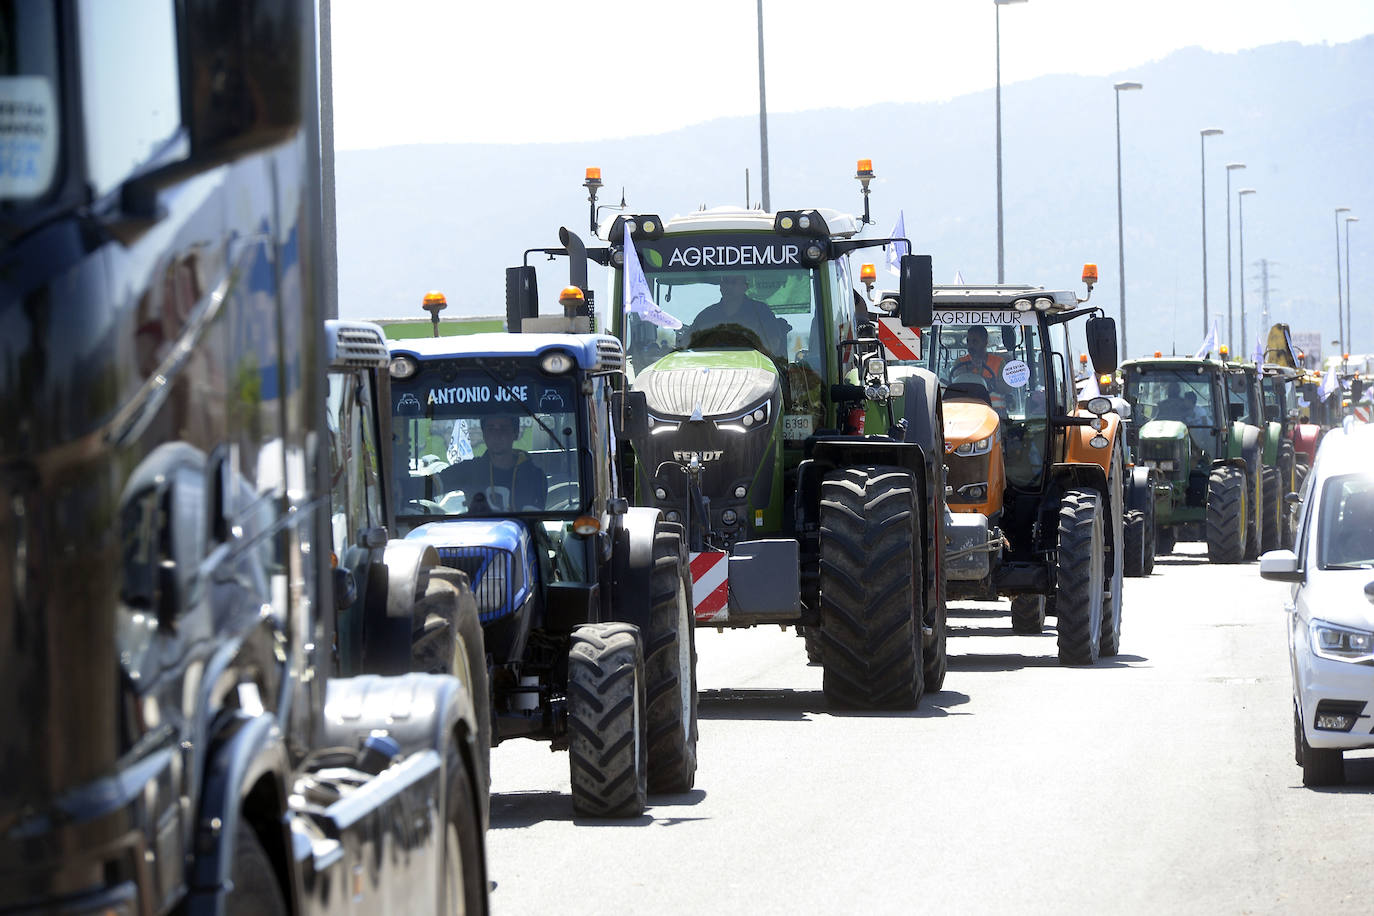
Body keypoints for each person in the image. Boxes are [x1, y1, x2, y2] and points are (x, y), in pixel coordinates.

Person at [439, 414, 547, 512]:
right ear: (484, 434)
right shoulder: (469, 470)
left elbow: (530, 522)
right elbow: (429, 485)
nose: (496, 435)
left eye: (503, 428)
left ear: (515, 433)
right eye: (490, 429)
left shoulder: (534, 476)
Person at [687, 275, 791, 355]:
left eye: (734, 282)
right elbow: (686, 345)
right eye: (725, 281)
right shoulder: (706, 316)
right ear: (721, 286)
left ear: (745, 286)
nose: (729, 286)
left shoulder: (761, 312)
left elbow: (773, 345)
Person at [953, 326, 1010, 411]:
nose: (970, 345)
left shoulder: (999, 362)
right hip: (966, 412)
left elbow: (1007, 389)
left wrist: (989, 382)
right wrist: (968, 370)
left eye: (975, 342)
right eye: (968, 341)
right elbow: (955, 381)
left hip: (996, 412)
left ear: (985, 342)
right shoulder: (960, 363)